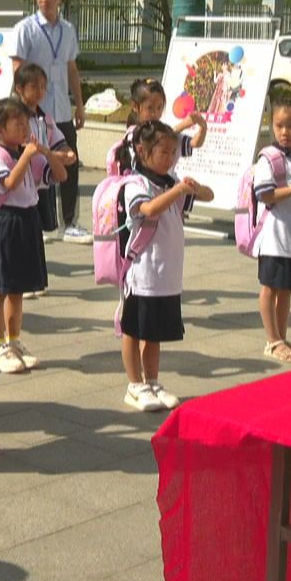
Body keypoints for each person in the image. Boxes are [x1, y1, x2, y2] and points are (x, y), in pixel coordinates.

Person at [117, 120, 212, 411]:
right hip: (142, 272)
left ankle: (153, 380)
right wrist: (177, 189)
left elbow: (208, 196)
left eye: (173, 152)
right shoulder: (135, 183)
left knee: (154, 333)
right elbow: (148, 210)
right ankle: (135, 385)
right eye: (164, 152)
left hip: (165, 274)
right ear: (142, 151)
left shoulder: (171, 183)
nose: (170, 158)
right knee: (133, 330)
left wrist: (191, 188)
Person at [0, 97, 60, 373]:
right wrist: (27, 156)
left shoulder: (29, 155)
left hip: (27, 219)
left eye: (26, 122)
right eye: (18, 123)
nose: (25, 127)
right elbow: (8, 185)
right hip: (6, 222)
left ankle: (14, 341)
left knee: (18, 288)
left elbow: (59, 176)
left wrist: (47, 154)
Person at [10, 0, 89, 242]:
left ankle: (70, 222)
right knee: (35, 163)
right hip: (34, 110)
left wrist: (79, 104)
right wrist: (20, 107)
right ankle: (41, 222)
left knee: (69, 160)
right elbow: (17, 70)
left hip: (62, 108)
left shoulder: (67, 30)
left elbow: (72, 68)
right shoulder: (25, 28)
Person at [253, 98, 291, 365]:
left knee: (286, 289)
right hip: (274, 237)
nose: (284, 132)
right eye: (279, 125)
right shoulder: (270, 158)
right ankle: (272, 340)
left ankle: (282, 337)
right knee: (269, 288)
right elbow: (265, 194)